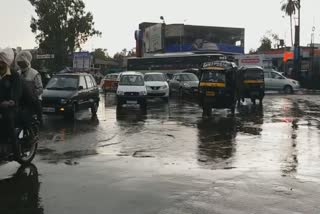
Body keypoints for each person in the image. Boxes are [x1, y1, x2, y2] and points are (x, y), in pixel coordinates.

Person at [0, 48, 22, 150]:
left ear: (7, 63)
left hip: (10, 106)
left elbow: (17, 90)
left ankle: (15, 146)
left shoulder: (14, 75)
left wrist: (12, 101)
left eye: (2, 62)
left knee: (7, 118)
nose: (0, 64)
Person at [16, 51, 43, 123]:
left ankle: (40, 119)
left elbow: (40, 88)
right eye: (18, 62)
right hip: (21, 98)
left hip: (33, 98)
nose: (20, 64)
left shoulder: (35, 73)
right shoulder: (17, 73)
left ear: (26, 62)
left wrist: (33, 94)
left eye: (21, 62)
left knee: (37, 103)